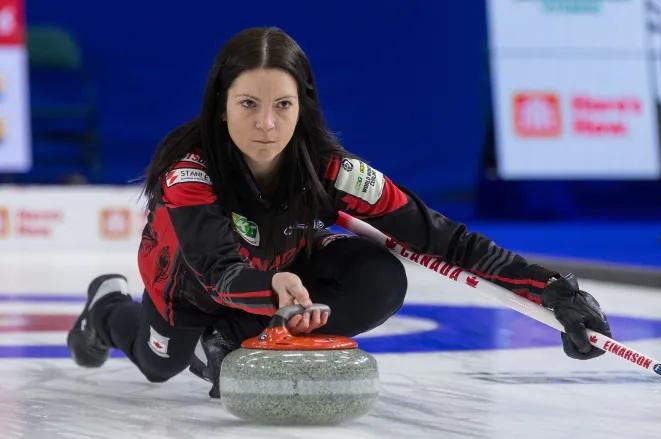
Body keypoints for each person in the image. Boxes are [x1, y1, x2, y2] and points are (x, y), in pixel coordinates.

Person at [67, 27, 612, 398]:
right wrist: (272, 289)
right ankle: (106, 309)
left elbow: (442, 238)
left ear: (302, 105)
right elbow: (216, 270)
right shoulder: (189, 175)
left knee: (379, 277)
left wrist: (551, 291)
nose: (266, 125)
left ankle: (235, 339)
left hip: (279, 279)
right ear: (220, 104)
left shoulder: (332, 169)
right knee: (158, 364)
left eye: (283, 106)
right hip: (188, 285)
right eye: (248, 105)